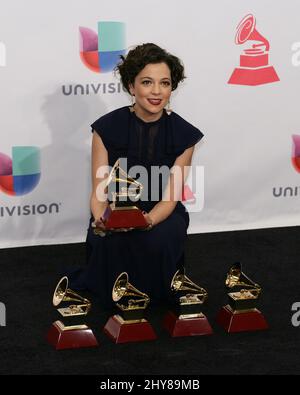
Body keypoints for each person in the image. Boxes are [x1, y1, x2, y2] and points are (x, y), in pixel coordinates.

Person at [68, 43, 204, 309]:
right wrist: (102, 218)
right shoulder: (106, 128)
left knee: (156, 240)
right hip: (116, 211)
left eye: (164, 83)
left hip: (161, 214)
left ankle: (154, 293)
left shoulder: (185, 134)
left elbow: (171, 198)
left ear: (171, 88)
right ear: (132, 86)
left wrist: (148, 220)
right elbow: (99, 192)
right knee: (107, 238)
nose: (156, 91)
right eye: (147, 82)